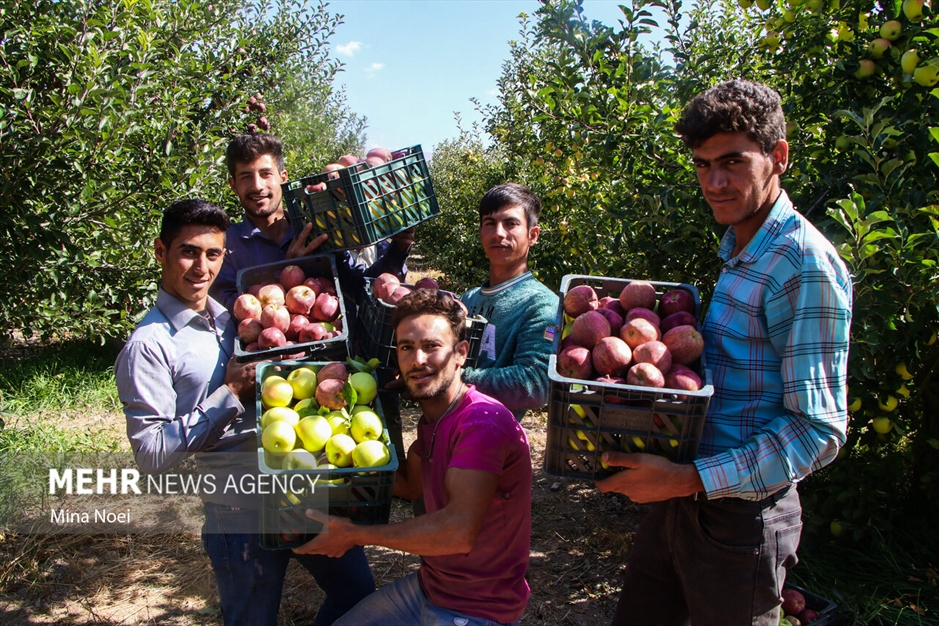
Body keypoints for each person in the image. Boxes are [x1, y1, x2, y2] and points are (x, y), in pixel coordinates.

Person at [596, 80, 853, 625]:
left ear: (778, 156)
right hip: (682, 494)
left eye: (732, 162)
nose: (714, 183)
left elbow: (818, 430)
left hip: (740, 518)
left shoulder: (802, 263)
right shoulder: (743, 246)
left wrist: (689, 479)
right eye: (702, 164)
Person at [114, 199, 374, 626]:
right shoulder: (148, 346)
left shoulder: (230, 318)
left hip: (299, 483)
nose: (202, 267)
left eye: (213, 254)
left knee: (358, 597)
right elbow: (151, 454)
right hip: (237, 507)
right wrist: (230, 393)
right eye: (188, 252)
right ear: (161, 251)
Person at [294, 288, 532, 626]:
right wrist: (334, 448)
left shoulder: (482, 423)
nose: (418, 359)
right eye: (407, 347)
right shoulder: (434, 418)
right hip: (431, 586)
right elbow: (408, 485)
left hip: (479, 608)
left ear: (461, 353)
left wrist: (354, 534)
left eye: (431, 346)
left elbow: (458, 532)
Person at [209, 133, 413, 315]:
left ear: (283, 177)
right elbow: (223, 309)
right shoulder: (225, 245)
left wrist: (399, 248)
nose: (257, 186)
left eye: (266, 174)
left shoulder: (315, 231)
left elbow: (360, 289)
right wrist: (285, 272)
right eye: (246, 177)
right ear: (233, 185)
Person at [459, 183, 559, 421]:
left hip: (493, 436)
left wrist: (450, 378)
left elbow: (535, 383)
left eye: (511, 223)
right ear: (481, 232)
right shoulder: (469, 299)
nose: (498, 233)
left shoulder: (541, 304)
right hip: (448, 429)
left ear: (533, 235)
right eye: (489, 223)